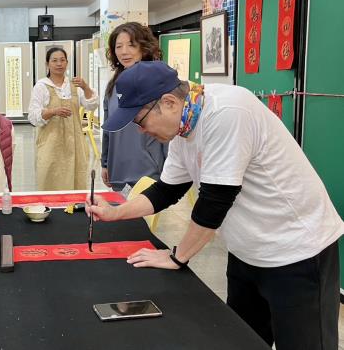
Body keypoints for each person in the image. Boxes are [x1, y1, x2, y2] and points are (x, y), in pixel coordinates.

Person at [87, 61, 344, 350]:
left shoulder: (227, 112)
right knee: (242, 339)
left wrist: (177, 257)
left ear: (169, 102)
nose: (142, 131)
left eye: (140, 121)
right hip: (247, 251)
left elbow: (214, 203)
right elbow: (166, 191)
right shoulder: (184, 128)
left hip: (297, 251)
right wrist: (114, 212)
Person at [101, 22, 167, 192]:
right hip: (118, 174)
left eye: (131, 45)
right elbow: (108, 129)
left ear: (144, 47)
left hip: (150, 175)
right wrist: (105, 163)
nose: (124, 52)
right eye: (119, 46)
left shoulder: (157, 82)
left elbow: (169, 131)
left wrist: (170, 171)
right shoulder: (113, 86)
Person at [28, 47, 98, 190]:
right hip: (50, 144)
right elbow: (33, 117)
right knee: (49, 179)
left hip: (75, 144)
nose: (59, 64)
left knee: (76, 180)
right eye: (54, 60)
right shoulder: (41, 86)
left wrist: (85, 87)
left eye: (62, 60)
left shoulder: (75, 86)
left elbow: (92, 105)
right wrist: (53, 111)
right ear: (47, 64)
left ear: (67, 63)